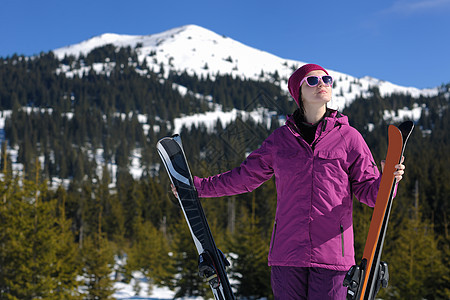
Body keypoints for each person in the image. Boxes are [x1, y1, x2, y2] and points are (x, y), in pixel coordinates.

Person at [173, 64, 406, 299]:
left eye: (326, 79)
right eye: (312, 81)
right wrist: (197, 187)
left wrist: (388, 182)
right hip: (287, 255)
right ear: (298, 92)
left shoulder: (349, 138)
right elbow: (244, 178)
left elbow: (370, 194)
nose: (322, 84)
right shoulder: (280, 140)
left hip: (334, 257)